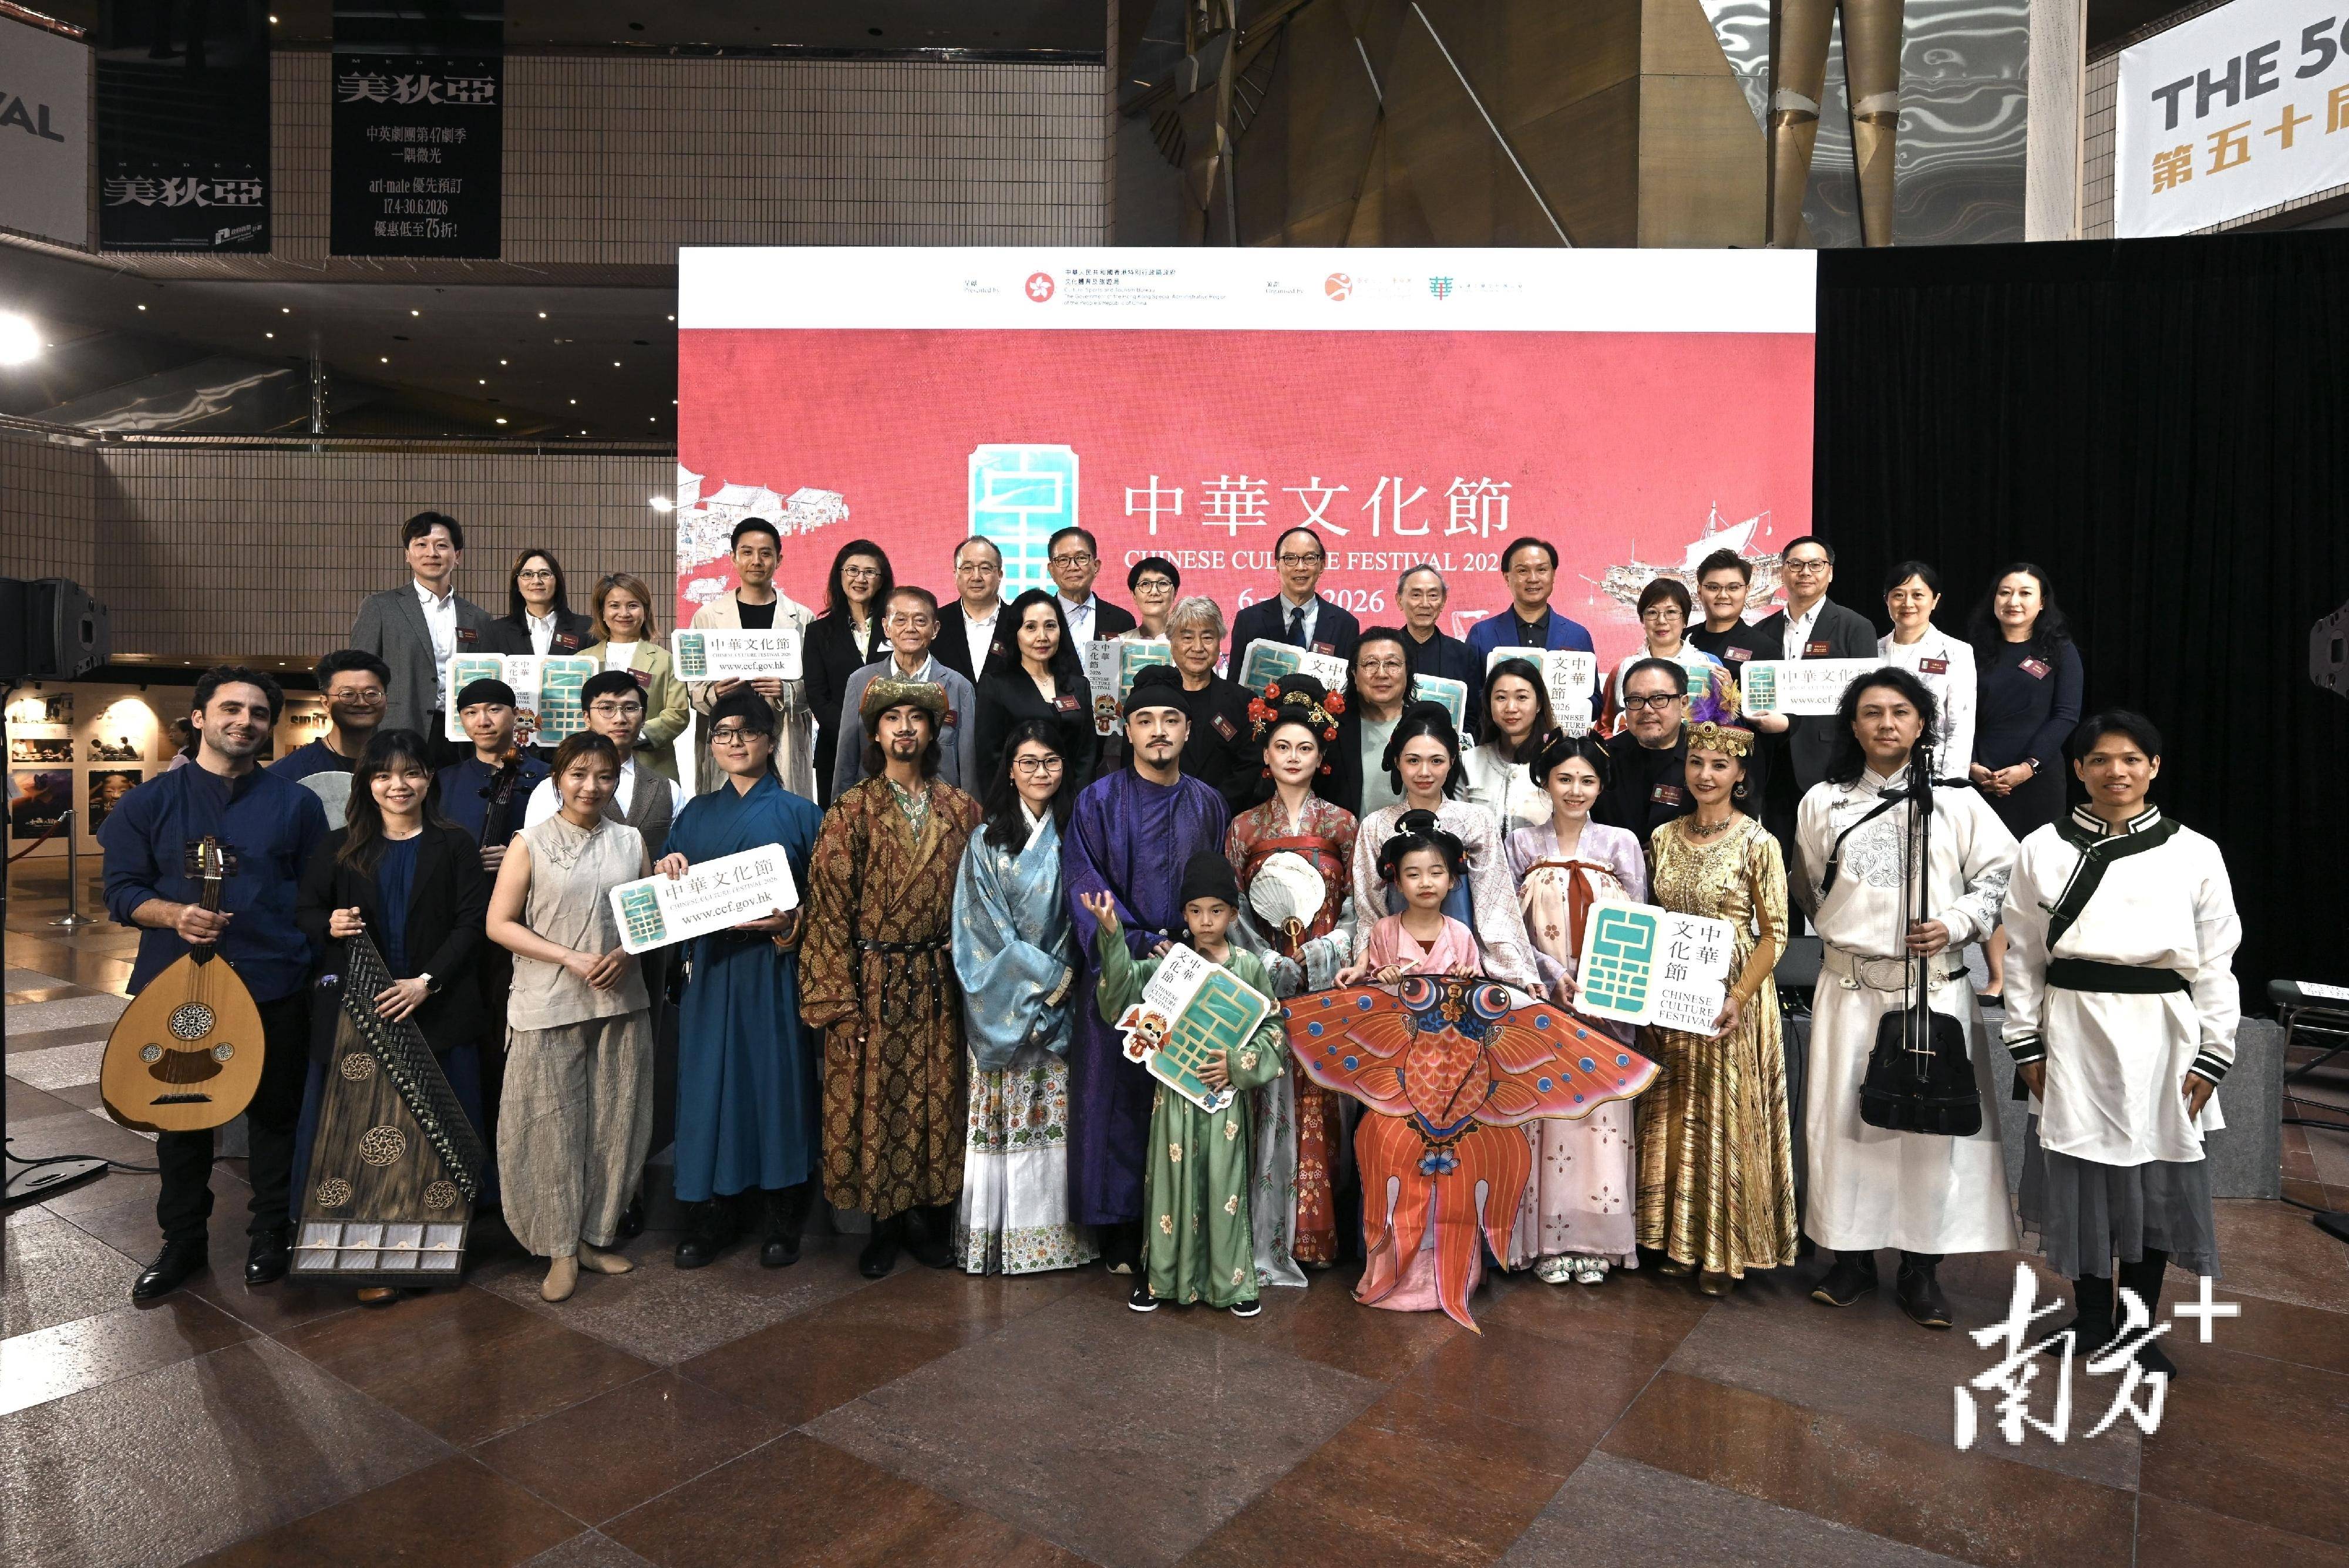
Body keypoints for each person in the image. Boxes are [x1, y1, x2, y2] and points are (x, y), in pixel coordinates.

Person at [2004, 711, 2237, 1379]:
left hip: (2163, 1033)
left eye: (2132, 759)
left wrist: (2215, 1050)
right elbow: (2022, 953)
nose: (2117, 771)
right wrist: (2024, 1041)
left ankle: (2137, 1327)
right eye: (2101, 759)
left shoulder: (2195, 852)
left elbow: (2217, 959)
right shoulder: (2041, 848)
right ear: (2078, 769)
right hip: (2072, 1027)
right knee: (2080, 1174)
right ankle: (2090, 1318)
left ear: (2153, 768)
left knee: (2154, 1181)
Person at [1793, 668, 2018, 1328]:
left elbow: (2005, 875)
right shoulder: (1823, 802)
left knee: (1928, 1135)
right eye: (1871, 712)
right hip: (1849, 989)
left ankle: (1922, 1269)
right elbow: (1807, 887)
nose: (1886, 723)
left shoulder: (1959, 803)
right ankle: (1851, 1259)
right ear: (1852, 725)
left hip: (1934, 991)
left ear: (1922, 724)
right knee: (1844, 1128)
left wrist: (1957, 923)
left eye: (1900, 711)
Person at [103, 668, 329, 1303]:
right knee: (181, 1121)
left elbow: (315, 893)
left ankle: (270, 1233)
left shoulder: (296, 805)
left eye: (258, 713)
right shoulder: (148, 802)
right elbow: (121, 891)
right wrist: (172, 914)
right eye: (230, 708)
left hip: (273, 979)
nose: (245, 721)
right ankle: (182, 1242)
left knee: (275, 1116)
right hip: (179, 988)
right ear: (200, 717)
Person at [292, 729, 494, 1306]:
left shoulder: (454, 843)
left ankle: (431, 1247)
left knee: (435, 1133)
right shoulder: (340, 846)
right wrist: (328, 924)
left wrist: (426, 983)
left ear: (429, 779)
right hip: (363, 1011)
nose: (397, 785)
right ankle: (366, 1252)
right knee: (365, 1135)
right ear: (367, 782)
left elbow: (472, 924)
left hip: (437, 1006)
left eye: (411, 773)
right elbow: (305, 910)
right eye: (383, 775)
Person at [799, 679, 984, 1278]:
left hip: (938, 979)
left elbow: (982, 897)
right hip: (873, 978)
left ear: (932, 732)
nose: (905, 728)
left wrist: (969, 944)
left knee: (937, 1098)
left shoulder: (962, 810)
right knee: (878, 1100)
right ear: (875, 733)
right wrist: (840, 1003)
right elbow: (828, 912)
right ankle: (882, 1226)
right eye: (892, 718)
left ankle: (928, 1222)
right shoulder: (850, 811)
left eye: (916, 718)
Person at [1064, 666, 1230, 1273]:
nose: (1158, 731)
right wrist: (1133, 940)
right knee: (1116, 1098)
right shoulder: (1097, 802)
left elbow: (1219, 888)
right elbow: (1084, 882)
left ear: (1187, 730)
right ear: (1127, 730)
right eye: (1145, 721)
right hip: (1123, 970)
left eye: (1170, 720)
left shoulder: (1209, 803)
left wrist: (1200, 943)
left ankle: (1183, 1222)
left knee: (1181, 1096)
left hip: (1191, 968)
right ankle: (1118, 1228)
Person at [654, 689, 825, 1272]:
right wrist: (666, 868)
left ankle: (782, 1215)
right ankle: (711, 1214)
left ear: (770, 741)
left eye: (747, 732)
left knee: (776, 1085)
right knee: (709, 1087)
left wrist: (791, 921)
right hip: (709, 970)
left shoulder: (802, 814)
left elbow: (829, 904)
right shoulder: (695, 813)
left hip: (772, 969)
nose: (734, 742)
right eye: (722, 733)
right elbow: (668, 889)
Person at [486, 732, 655, 1304]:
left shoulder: (631, 840)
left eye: (604, 776)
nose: (591, 787)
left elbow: (648, 919)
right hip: (547, 1005)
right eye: (578, 774)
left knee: (615, 1124)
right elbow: (499, 924)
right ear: (558, 778)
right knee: (548, 1129)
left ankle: (590, 1237)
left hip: (620, 1002)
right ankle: (558, 1247)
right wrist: (570, 958)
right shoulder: (529, 842)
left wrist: (625, 952)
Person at [1083, 854, 1288, 1315]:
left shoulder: (1248, 967)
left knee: (1223, 1185)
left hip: (1223, 1100)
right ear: (1184, 914)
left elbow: (1275, 1032)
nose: (1205, 921)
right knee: (1169, 1186)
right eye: (1195, 911)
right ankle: (1162, 1278)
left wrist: (1236, 1064)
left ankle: (1232, 1285)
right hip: (1174, 1096)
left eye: (1216, 911)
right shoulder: (1172, 963)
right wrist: (1112, 933)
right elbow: (1119, 997)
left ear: (1233, 914)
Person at [1638, 715, 1798, 1296]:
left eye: (1719, 766)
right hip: (1673, 987)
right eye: (1696, 763)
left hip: (1731, 993)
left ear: (1739, 776)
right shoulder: (1662, 837)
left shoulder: (1759, 843)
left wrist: (1738, 996)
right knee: (1675, 1110)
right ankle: (1675, 1240)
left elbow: (1775, 935)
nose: (1705, 775)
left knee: (1724, 1115)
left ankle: (1721, 1251)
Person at [951, 721, 1096, 1276]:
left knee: (1059, 1120)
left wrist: (1063, 979)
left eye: (1051, 761)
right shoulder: (984, 841)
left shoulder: (1078, 835)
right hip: (1009, 1005)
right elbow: (980, 929)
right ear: (1010, 771)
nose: (1041, 772)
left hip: (1064, 1002)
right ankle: (1003, 1241)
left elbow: (1084, 917)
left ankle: (1061, 1240)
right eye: (1029, 762)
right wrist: (1045, 979)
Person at [1224, 674, 1355, 1278]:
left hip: (1327, 983)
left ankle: (1319, 1237)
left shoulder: (1343, 824)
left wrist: (1325, 951)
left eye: (1305, 747)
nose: (1293, 757)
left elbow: (1358, 908)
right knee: (1268, 1097)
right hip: (1267, 983)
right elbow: (1229, 910)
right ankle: (1269, 1231)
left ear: (1321, 755)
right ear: (1266, 753)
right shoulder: (1245, 827)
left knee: (1323, 1100)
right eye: (1283, 747)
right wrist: (1268, 962)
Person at [1506, 731, 1647, 1286]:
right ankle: (1546, 1241)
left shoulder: (1621, 844)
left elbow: (1640, 923)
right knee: (1544, 1118)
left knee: (1600, 1122)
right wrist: (1553, 974)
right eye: (1564, 778)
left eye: (1587, 780)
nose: (1575, 790)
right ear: (1545, 781)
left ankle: (1596, 1238)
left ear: (1601, 786)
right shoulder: (1521, 844)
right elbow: (1507, 929)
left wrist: (1603, 983)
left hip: (1606, 1005)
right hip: (1544, 999)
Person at [1348, 704, 1540, 991]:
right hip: (1396, 967)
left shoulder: (1477, 821)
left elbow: (1495, 906)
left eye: (1436, 761)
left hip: (1461, 964)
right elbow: (1369, 909)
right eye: (1413, 761)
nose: (1424, 772)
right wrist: (1364, 965)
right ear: (1397, 761)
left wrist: (1517, 974)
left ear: (1452, 761)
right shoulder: (1375, 825)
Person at [1966, 563, 2084, 1000]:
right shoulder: (1973, 650)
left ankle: (2037, 972)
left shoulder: (2059, 651)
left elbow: (2066, 716)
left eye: (2024, 593)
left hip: (2038, 779)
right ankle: (1997, 977)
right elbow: (1957, 714)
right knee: (1987, 877)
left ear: (2041, 602)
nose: (2013, 601)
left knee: (2038, 877)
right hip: (1981, 778)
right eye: (2004, 592)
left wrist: (2028, 767)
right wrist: (1971, 766)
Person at [685, 517, 819, 798]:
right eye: (747, 552)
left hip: (782, 732)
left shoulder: (802, 618)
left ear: (779, 560)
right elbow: (693, 686)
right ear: (733, 558)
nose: (756, 561)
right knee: (727, 811)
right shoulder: (706, 617)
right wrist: (714, 692)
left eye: (765, 553)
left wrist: (787, 690)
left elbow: (817, 685)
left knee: (784, 809)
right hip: (729, 732)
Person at [349, 511, 498, 743]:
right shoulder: (380, 607)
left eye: (442, 545)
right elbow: (358, 674)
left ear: (457, 555)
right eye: (421, 544)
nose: (432, 553)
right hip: (397, 730)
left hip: (463, 734)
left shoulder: (479, 618)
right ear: (407, 554)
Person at [1752, 534, 1877, 800]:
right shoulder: (1761, 631)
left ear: (1830, 573)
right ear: (1782, 572)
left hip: (1831, 762)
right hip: (1771, 763)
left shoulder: (1856, 628)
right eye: (1795, 564)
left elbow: (1866, 702)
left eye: (1816, 565)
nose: (1805, 572)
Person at [832, 586, 979, 797]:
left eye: (920, 621)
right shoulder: (860, 682)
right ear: (886, 627)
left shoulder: (959, 686)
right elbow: (846, 760)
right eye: (900, 620)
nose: (910, 628)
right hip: (875, 806)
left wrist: (970, 813)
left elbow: (969, 767)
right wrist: (841, 808)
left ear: (935, 629)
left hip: (940, 808)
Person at [523, 672, 686, 859]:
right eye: (607, 708)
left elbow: (679, 853)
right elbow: (534, 856)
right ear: (587, 718)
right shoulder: (553, 789)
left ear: (643, 719)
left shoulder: (669, 789)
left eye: (630, 708)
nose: (620, 718)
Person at [974, 587, 1098, 785]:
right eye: (1031, 627)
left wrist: (1077, 800)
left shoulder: (1079, 685)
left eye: (1050, 626)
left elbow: (1087, 754)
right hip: (1015, 799)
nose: (1042, 637)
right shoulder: (995, 686)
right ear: (1016, 633)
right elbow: (990, 759)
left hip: (1073, 798)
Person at [580, 573, 691, 788]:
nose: (624, 613)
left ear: (645, 611)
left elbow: (678, 714)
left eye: (633, 605)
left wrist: (632, 735)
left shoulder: (666, 660)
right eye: (614, 606)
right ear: (602, 612)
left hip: (652, 764)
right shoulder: (582, 660)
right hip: (592, 765)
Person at [804, 539, 892, 807]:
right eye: (853, 570)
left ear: (882, 580)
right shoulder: (818, 633)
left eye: (870, 572)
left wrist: (884, 735)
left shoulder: (897, 628)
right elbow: (818, 696)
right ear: (840, 575)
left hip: (893, 749)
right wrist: (854, 735)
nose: (860, 579)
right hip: (835, 749)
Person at [1877, 561, 1977, 785]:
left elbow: (1960, 724)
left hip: (1932, 773)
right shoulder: (1872, 650)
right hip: (1878, 770)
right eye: (1899, 595)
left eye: (1918, 595)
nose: (1908, 603)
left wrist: (1950, 784)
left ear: (1935, 600)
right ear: (1887, 600)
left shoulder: (1957, 651)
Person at [436, 678, 549, 869]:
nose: (483, 722)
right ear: (461, 720)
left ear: (515, 714)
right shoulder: (444, 780)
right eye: (471, 713)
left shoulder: (548, 777)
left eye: (494, 710)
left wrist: (522, 858)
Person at [1166, 594, 1260, 814]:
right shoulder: (1154, 699)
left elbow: (1250, 766)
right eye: (1187, 637)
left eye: (1208, 637)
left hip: (1224, 815)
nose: (1198, 647)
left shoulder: (1243, 701)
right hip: (1161, 814)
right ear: (1172, 642)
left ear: (1219, 643)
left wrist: (1212, 808)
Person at [1594, 658, 1695, 850]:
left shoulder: (1706, 759)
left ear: (1683, 703)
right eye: (1636, 700)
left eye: (1659, 699)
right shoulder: (1602, 758)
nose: (1646, 709)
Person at [1229, 528, 1361, 662]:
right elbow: (1235, 675)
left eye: (1310, 558)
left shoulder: (1345, 625)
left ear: (1322, 566)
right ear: (1277, 566)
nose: (1300, 567)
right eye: (1290, 559)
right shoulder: (1248, 621)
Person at [1325, 628, 1416, 818]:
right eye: (1370, 664)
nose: (1381, 674)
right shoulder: (1330, 729)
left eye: (1392, 663)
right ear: (1354, 673)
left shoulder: (1424, 727)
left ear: (1407, 671)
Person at [1608, 577, 1727, 722]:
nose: (1661, 621)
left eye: (1671, 612)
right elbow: (1608, 725)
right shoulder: (1625, 667)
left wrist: (1728, 699)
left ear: (1685, 620)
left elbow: (1725, 726)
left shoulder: (1710, 664)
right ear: (1642, 620)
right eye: (1652, 613)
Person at [1459, 657, 1556, 832]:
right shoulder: (1470, 760)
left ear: (1539, 704)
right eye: (1501, 698)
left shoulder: (1559, 761)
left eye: (1522, 697)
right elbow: (1457, 827)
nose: (1511, 708)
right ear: (1489, 703)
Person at [1465, 536, 1596, 664]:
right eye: (1523, 571)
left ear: (1553, 575)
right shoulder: (1482, 634)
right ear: (1507, 578)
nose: (1533, 579)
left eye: (1541, 570)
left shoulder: (1578, 635)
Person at [271, 650, 389, 783]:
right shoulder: (288, 772)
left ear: (386, 700)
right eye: (348, 694)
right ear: (326, 703)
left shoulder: (402, 763)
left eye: (372, 694)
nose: (362, 703)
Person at [1395, 566, 1483, 732]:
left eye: (1433, 595)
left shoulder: (1463, 654)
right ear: (1400, 600)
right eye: (1416, 595)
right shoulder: (1385, 652)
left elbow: (1473, 715)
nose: (1425, 604)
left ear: (1443, 602)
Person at [1687, 549, 1784, 672]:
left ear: (1747, 591)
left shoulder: (1765, 649)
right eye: (1713, 588)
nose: (1723, 595)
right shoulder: (1682, 639)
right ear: (1700, 591)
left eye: (1733, 588)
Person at [486, 547, 594, 658]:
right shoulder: (496, 631)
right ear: (517, 584)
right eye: (527, 574)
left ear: (557, 582)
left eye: (544, 574)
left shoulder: (587, 629)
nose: (536, 581)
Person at [934, 535, 1008, 687]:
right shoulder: (936, 623)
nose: (976, 577)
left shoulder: (1019, 621)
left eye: (985, 568)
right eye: (967, 568)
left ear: (1000, 575)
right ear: (955, 574)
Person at [1048, 526, 1137, 641]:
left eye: (1081, 558)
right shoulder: (1038, 618)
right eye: (1063, 560)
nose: (1073, 567)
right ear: (1052, 570)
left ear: (1096, 566)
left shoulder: (1122, 620)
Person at [1125, 556, 1181, 641]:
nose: (1154, 592)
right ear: (1134, 595)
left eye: (1163, 583)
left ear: (1175, 593)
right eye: (1145, 584)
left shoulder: (1190, 643)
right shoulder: (1119, 644)